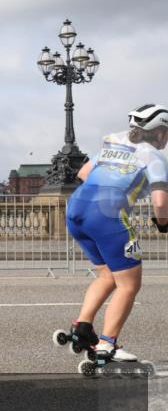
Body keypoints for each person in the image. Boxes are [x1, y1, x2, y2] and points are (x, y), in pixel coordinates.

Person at [64, 103, 168, 364]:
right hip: (108, 217)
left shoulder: (112, 147)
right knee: (130, 284)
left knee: (107, 275)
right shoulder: (153, 157)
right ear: (157, 132)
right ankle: (107, 345)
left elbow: (83, 173)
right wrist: (163, 223)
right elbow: (160, 202)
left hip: (76, 210)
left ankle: (82, 328)